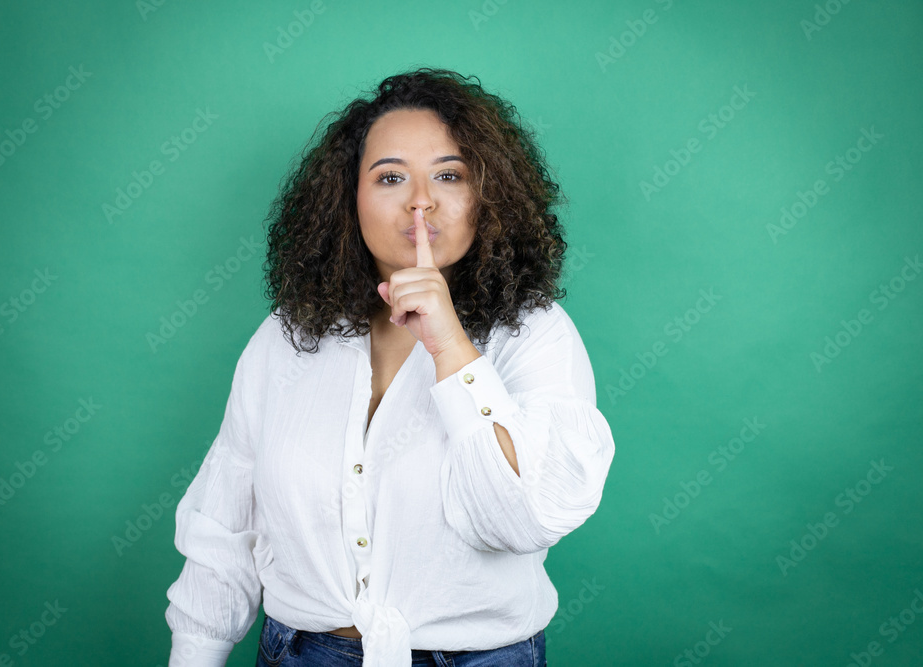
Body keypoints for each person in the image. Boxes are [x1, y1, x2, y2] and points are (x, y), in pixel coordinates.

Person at [165, 67, 616, 667]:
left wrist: (450, 343)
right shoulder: (286, 336)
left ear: (488, 196)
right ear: (348, 200)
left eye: (449, 175)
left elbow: (523, 518)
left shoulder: (536, 333)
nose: (420, 200)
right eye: (390, 176)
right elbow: (226, 525)